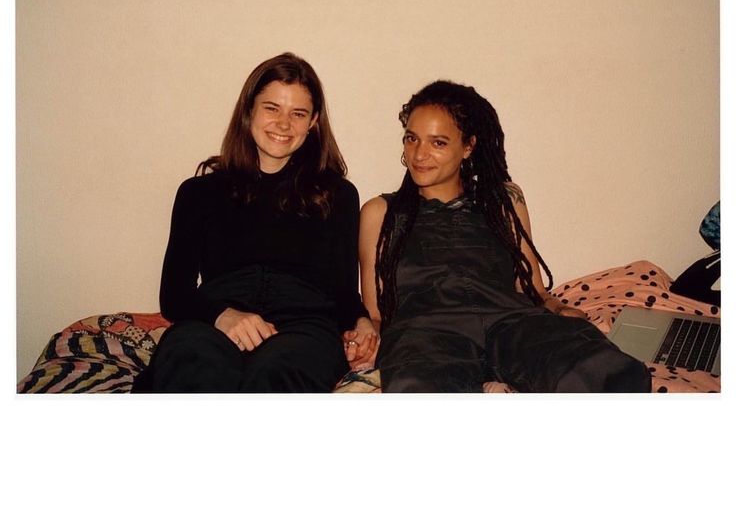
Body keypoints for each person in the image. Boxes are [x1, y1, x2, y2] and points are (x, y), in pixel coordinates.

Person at [349, 80, 652, 393]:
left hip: (510, 322)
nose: (419, 154)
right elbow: (376, 312)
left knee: (599, 370)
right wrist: (366, 334)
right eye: (411, 139)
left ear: (468, 147)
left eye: (438, 143)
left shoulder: (503, 202)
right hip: (426, 334)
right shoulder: (381, 212)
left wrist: (559, 310)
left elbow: (533, 289)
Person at [132, 52, 377, 393]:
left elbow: (342, 290)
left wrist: (362, 321)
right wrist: (223, 314)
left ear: (314, 122)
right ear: (248, 112)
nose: (284, 123)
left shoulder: (338, 196)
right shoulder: (198, 193)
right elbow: (174, 295)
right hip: (215, 324)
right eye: (271, 108)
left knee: (275, 372)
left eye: (298, 113)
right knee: (192, 360)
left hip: (304, 329)